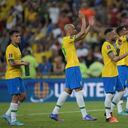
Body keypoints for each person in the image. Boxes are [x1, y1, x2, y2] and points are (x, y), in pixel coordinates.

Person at [50, 11, 97, 121]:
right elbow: (81, 33)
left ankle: (54, 113)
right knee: (78, 89)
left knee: (68, 90)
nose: (75, 29)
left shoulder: (68, 41)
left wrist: (90, 25)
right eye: (73, 28)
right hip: (73, 67)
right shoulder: (66, 39)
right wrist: (83, 19)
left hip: (69, 67)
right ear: (68, 30)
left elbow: (83, 35)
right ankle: (85, 115)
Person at [2, 30, 29, 126]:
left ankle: (7, 114)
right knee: (16, 96)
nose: (19, 37)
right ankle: (13, 120)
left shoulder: (17, 47)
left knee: (23, 96)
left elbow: (16, 60)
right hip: (12, 75)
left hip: (18, 75)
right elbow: (11, 63)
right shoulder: (10, 48)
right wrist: (23, 62)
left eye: (19, 35)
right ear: (11, 38)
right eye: (16, 36)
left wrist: (22, 62)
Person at [102, 28, 128, 123]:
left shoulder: (111, 45)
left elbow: (116, 53)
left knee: (121, 91)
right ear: (109, 35)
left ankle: (110, 109)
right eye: (113, 34)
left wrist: (119, 46)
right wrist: (126, 53)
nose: (115, 35)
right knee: (109, 94)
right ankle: (108, 117)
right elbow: (114, 59)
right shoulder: (106, 45)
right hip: (109, 74)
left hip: (115, 73)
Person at [116, 25, 128, 115]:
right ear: (120, 33)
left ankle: (127, 108)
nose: (126, 31)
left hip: (127, 65)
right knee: (122, 88)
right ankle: (120, 110)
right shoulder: (121, 39)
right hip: (122, 65)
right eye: (124, 30)